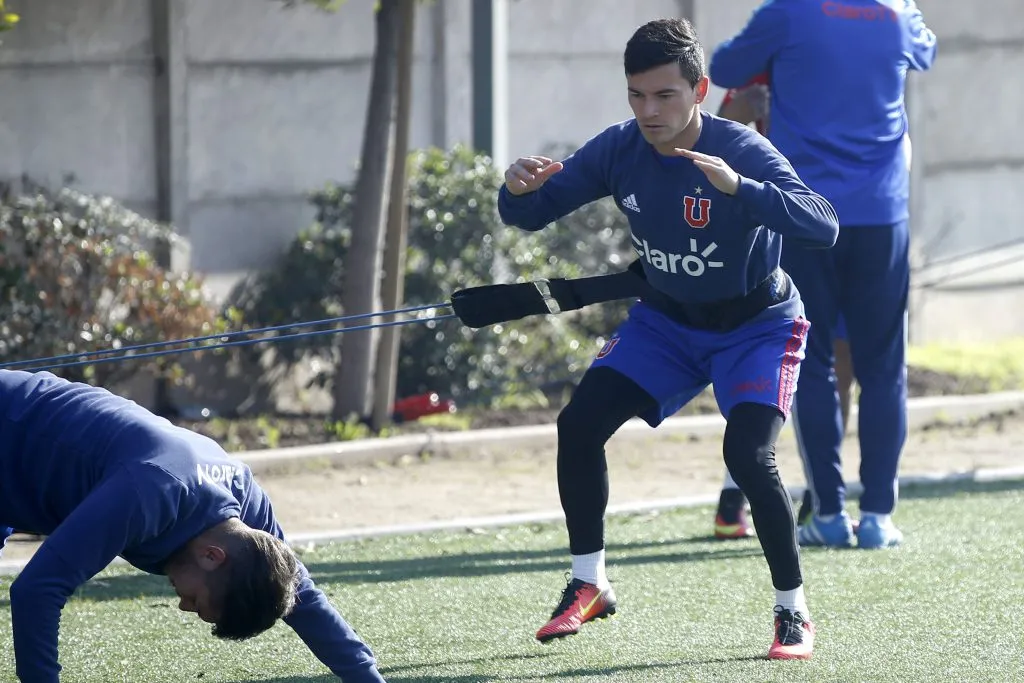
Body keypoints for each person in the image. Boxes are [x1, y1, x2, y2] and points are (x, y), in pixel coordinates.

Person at [497, 18, 838, 659]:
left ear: (700, 90)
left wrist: (741, 189)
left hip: (758, 327)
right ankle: (588, 584)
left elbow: (823, 226)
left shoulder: (743, 150)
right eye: (636, 95)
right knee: (579, 425)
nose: (648, 111)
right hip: (667, 324)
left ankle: (793, 612)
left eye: (665, 96)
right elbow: (531, 213)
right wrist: (515, 190)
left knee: (749, 457)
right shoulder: (620, 148)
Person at [710, 0, 936, 548]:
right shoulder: (898, 13)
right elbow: (926, 50)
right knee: (884, 368)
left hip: (804, 214)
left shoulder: (786, 13)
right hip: (883, 215)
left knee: (809, 363)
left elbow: (720, 70)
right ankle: (879, 516)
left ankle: (830, 514)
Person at [0, 369, 385, 683]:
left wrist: (368, 679)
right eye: (197, 603)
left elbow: (302, 597)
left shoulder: (244, 506)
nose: (183, 606)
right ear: (212, 557)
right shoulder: (148, 492)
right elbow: (36, 591)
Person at [712, 74, 856, 538]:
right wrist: (742, 110)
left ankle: (821, 494)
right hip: (778, 238)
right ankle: (735, 498)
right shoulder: (763, 69)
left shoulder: (858, 63)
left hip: (849, 226)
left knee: (841, 361)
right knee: (765, 375)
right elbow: (709, 128)